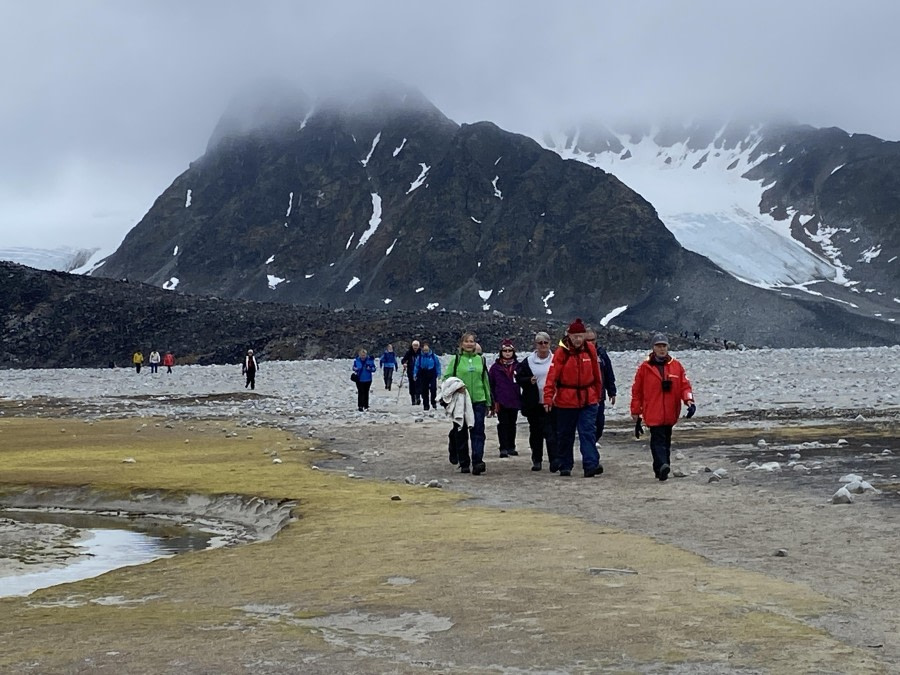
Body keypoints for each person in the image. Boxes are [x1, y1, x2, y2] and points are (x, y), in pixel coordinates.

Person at [543, 318, 604, 478]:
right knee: (565, 434)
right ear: (569, 336)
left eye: (580, 336)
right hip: (566, 400)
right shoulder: (561, 353)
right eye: (575, 336)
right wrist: (548, 397)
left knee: (588, 432)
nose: (578, 339)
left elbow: (597, 374)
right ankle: (565, 465)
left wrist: (598, 395)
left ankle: (591, 465)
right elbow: (552, 376)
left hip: (587, 398)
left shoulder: (590, 350)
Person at [630, 333, 696, 481]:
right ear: (653, 348)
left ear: (668, 347)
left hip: (670, 412)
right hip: (653, 411)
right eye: (658, 346)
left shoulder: (676, 366)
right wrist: (635, 410)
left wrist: (689, 401)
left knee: (666, 440)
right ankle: (662, 465)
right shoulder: (644, 368)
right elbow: (637, 391)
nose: (661, 349)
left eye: (664, 346)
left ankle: (662, 468)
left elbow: (685, 386)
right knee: (658, 439)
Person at [443, 332, 493, 475]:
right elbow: (447, 378)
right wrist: (456, 386)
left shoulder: (481, 360)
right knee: (461, 432)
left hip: (478, 400)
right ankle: (464, 462)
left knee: (478, 431)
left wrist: (489, 401)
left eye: (472, 341)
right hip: (460, 401)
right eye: (467, 341)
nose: (469, 344)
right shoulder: (456, 360)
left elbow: (485, 381)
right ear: (461, 344)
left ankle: (478, 461)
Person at [516, 331, 558, 471]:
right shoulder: (528, 361)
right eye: (540, 343)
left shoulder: (556, 359)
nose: (543, 345)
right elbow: (518, 378)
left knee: (551, 432)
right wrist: (529, 381)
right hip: (534, 403)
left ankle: (554, 460)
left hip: (551, 402)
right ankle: (537, 460)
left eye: (545, 342)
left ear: (550, 343)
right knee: (535, 433)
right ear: (536, 345)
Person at [489, 339, 521, 458]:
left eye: (509, 351)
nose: (507, 353)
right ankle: (503, 447)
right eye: (505, 351)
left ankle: (511, 446)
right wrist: (493, 400)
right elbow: (491, 384)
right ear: (501, 352)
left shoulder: (518, 366)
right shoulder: (495, 368)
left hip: (514, 399)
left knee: (512, 424)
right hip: (501, 400)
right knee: (503, 424)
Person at [585, 328, 617, 446]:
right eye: (588, 340)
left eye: (592, 340)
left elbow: (608, 372)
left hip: (599, 395)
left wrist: (612, 391)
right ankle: (589, 445)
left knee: (599, 421)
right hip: (585, 395)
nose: (590, 343)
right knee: (587, 422)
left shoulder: (601, 353)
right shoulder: (580, 354)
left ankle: (594, 439)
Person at [413, 342, 442, 411]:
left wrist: (439, 374)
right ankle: (426, 405)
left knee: (433, 389)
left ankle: (433, 402)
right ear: (422, 349)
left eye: (427, 349)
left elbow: (437, 365)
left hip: (432, 373)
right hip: (423, 373)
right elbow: (416, 366)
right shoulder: (419, 357)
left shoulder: (433, 356)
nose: (426, 351)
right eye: (424, 349)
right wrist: (415, 374)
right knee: (424, 390)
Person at [401, 340, 422, 405]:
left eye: (417, 346)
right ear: (412, 346)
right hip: (410, 371)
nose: (415, 347)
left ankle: (418, 398)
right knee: (412, 385)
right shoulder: (409, 352)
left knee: (418, 385)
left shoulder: (421, 352)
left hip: (419, 371)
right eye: (414, 346)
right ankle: (413, 399)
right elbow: (403, 360)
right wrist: (404, 363)